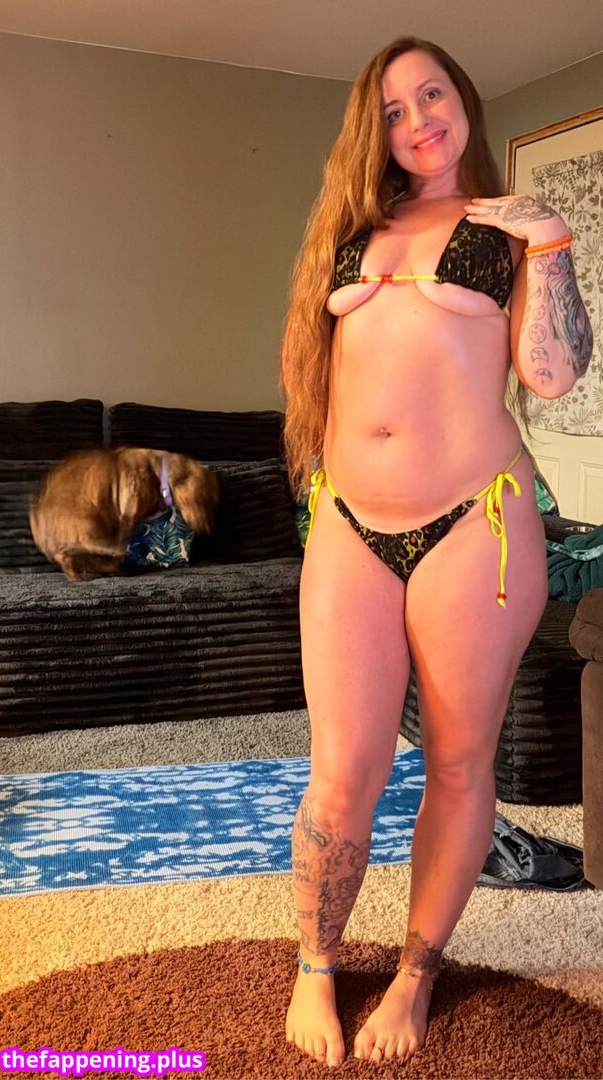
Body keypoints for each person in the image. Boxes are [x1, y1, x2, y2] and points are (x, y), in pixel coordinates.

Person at [279, 36, 593, 1069]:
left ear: (464, 99)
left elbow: (553, 375)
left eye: (432, 94)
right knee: (340, 773)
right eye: (394, 109)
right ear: (372, 131)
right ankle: (316, 963)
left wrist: (550, 242)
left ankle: (416, 972)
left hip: (475, 521)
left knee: (457, 763)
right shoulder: (348, 231)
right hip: (348, 521)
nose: (417, 120)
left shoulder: (504, 230)